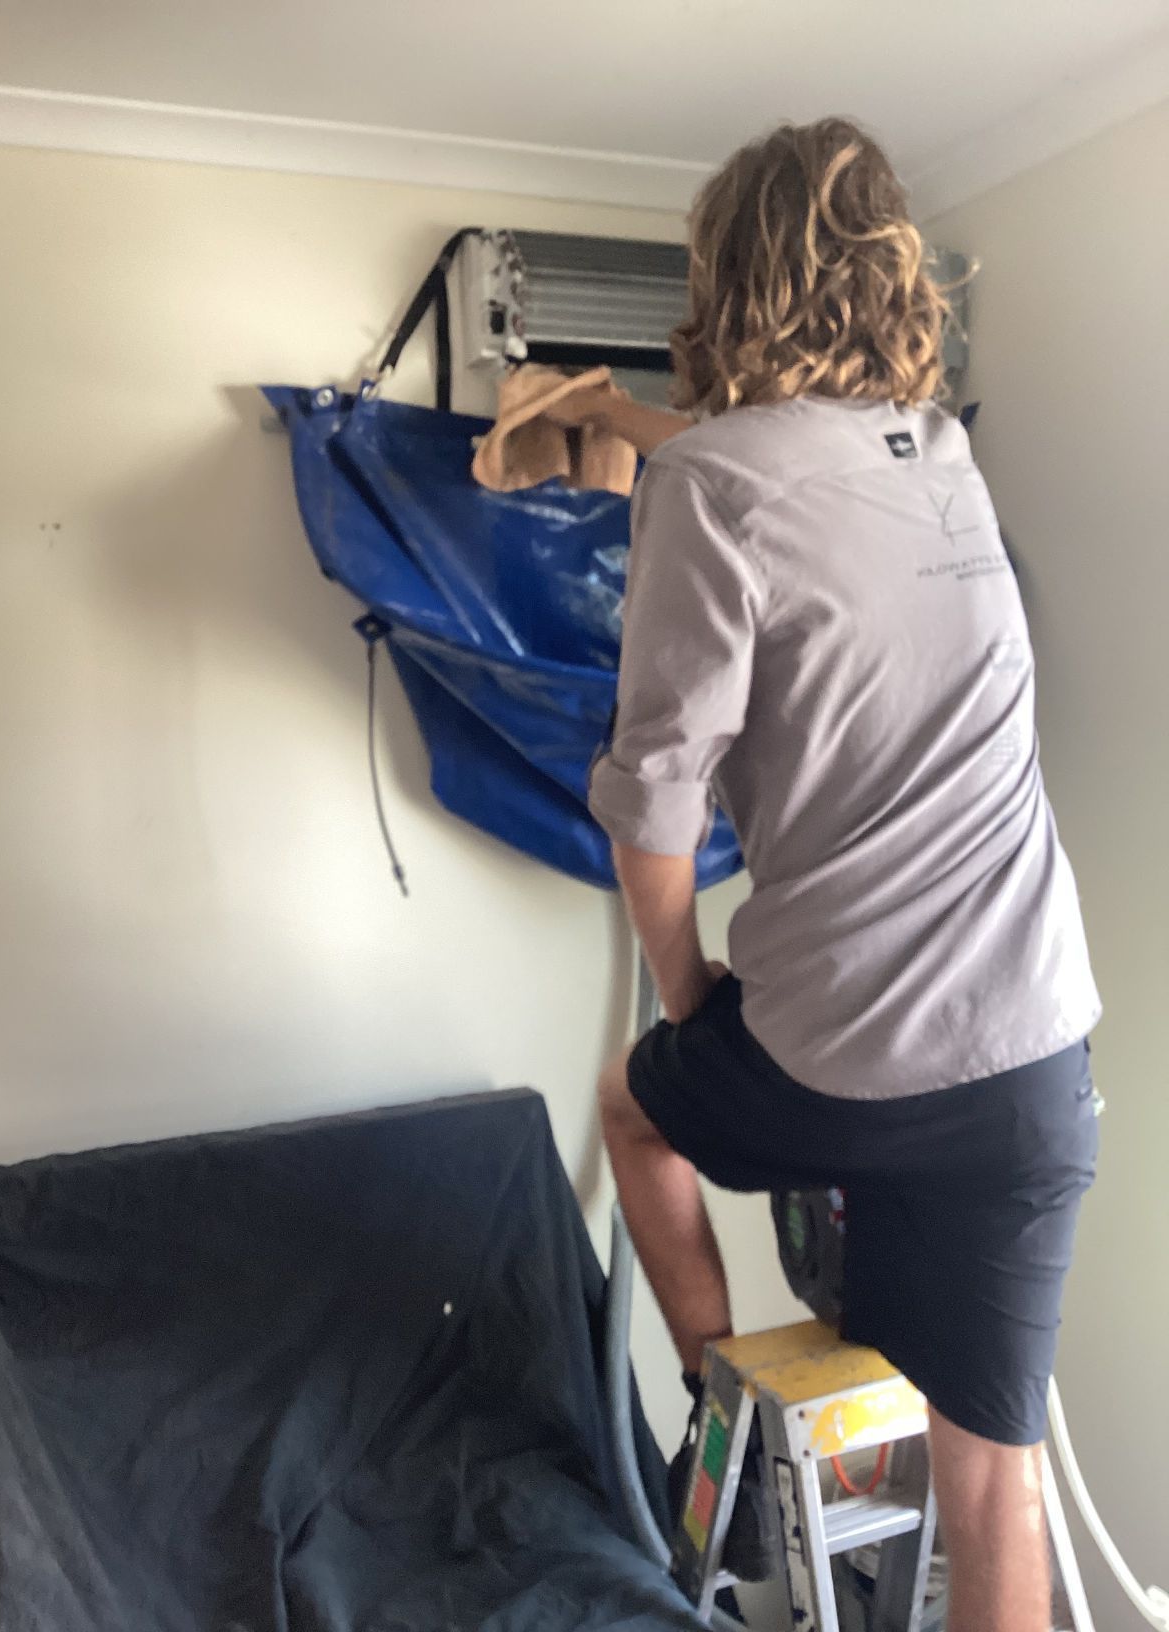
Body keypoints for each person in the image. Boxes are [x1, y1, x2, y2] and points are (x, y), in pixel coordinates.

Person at [557, 119, 1101, 1632]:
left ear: (726, 279)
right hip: (1034, 1054)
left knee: (633, 1100)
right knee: (995, 1481)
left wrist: (691, 998)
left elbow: (654, 811)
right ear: (891, 275)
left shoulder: (709, 488)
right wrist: (625, 426)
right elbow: (771, 473)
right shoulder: (943, 457)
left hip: (850, 1055)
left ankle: (709, 1390)